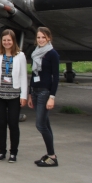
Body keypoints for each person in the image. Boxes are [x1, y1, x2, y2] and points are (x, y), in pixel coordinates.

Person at [0, 29, 28, 163]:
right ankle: (2, 151)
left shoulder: (20, 55)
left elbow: (23, 76)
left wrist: (24, 95)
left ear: (13, 41)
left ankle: (13, 152)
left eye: (9, 40)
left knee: (13, 124)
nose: (6, 42)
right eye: (4, 40)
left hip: (14, 95)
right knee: (1, 124)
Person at [28, 27, 60, 167]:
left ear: (49, 38)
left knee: (40, 124)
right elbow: (33, 75)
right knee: (45, 124)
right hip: (35, 91)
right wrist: (29, 93)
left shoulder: (52, 54)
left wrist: (52, 97)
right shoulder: (35, 53)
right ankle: (50, 154)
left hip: (44, 92)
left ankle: (52, 157)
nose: (40, 40)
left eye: (43, 37)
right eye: (39, 37)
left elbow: (56, 77)